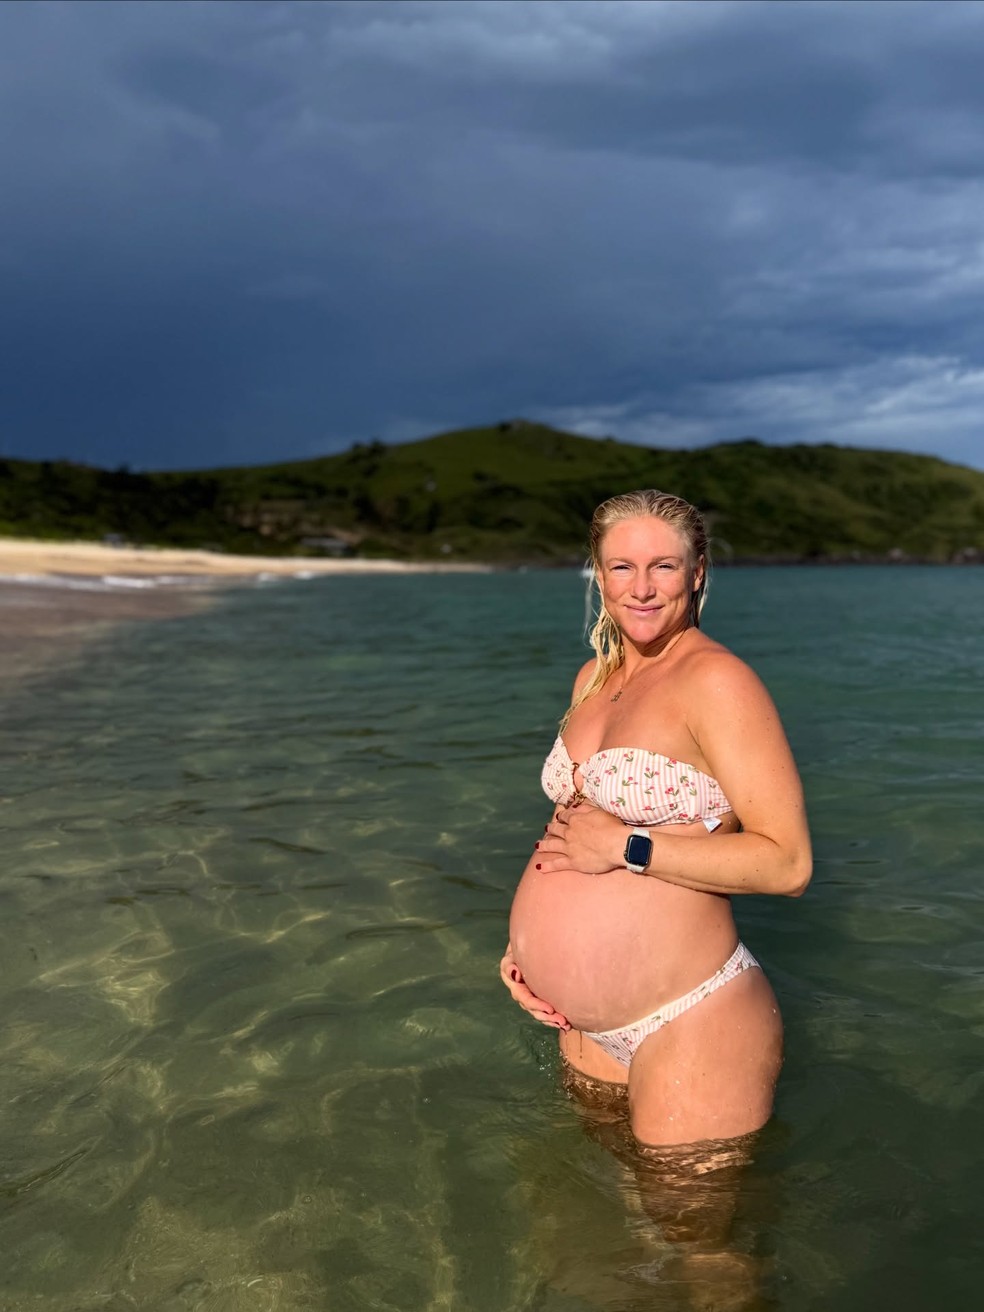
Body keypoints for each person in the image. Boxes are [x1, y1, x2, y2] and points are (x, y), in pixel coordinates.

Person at [501, 489, 811, 1151]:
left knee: (697, 1243)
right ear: (598, 573)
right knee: (595, 1228)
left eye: (663, 567)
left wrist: (627, 848)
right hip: (580, 1028)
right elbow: (569, 827)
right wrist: (525, 954)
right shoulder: (592, 677)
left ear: (697, 573)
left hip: (691, 1018)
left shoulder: (717, 682)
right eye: (621, 567)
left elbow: (787, 863)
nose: (641, 588)